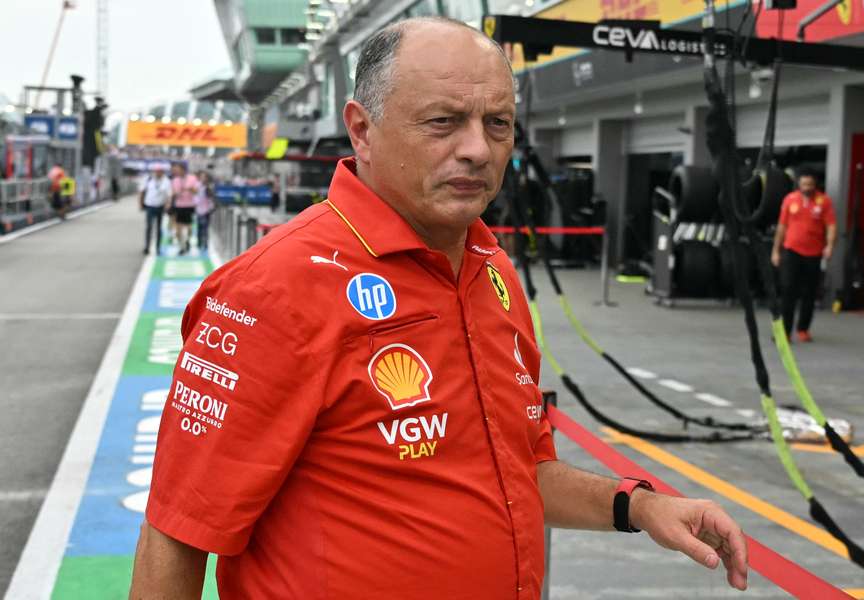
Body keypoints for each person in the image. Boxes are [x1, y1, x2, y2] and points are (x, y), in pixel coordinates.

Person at [130, 17, 748, 599]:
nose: (478, 149)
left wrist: (638, 505)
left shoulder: (492, 271)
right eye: (443, 121)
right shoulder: (274, 288)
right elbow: (179, 529)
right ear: (362, 129)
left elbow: (514, 473)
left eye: (498, 124)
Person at [771, 170, 837, 342]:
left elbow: (831, 226)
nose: (807, 188)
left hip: (813, 253)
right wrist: (776, 251)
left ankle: (803, 329)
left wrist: (829, 246)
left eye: (810, 185)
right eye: (804, 184)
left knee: (809, 292)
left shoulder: (824, 202)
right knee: (788, 290)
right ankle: (784, 331)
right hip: (791, 251)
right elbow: (782, 227)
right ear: (799, 185)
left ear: (815, 185)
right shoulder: (790, 200)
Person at [139, 166, 171, 255]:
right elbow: (142, 191)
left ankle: (158, 248)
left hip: (160, 206)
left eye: (160, 171)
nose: (158, 173)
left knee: (159, 228)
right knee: (149, 227)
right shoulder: (148, 179)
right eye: (156, 171)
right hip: (150, 206)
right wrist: (140, 203)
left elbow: (169, 195)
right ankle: (147, 247)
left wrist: (167, 204)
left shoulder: (166, 181)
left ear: (163, 172)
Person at [169, 163, 199, 255]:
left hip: (189, 205)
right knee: (178, 228)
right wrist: (176, 194)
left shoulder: (192, 178)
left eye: (178, 169)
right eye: (176, 169)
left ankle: (187, 241)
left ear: (184, 170)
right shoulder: (175, 180)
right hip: (179, 205)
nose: (177, 171)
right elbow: (173, 193)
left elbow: (196, 191)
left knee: (189, 227)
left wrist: (189, 189)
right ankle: (181, 246)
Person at [193, 171, 215, 251]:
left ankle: (205, 244)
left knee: (205, 227)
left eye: (205, 177)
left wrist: (211, 206)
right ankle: (199, 243)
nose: (203, 179)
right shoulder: (197, 186)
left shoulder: (210, 186)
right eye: (202, 177)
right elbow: (195, 196)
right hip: (199, 208)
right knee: (199, 226)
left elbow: (212, 198)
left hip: (207, 209)